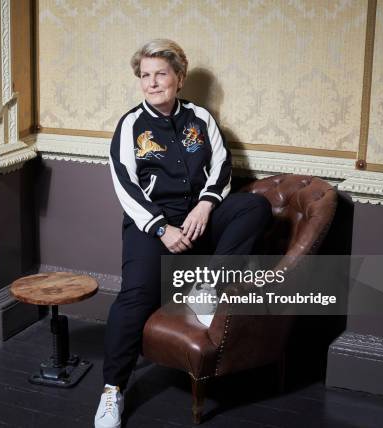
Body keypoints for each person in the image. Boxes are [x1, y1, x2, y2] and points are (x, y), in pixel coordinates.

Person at [94, 39, 272, 428]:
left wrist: (206, 206)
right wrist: (161, 228)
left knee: (253, 207)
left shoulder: (200, 118)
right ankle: (112, 391)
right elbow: (124, 184)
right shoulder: (130, 125)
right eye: (145, 76)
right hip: (152, 223)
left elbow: (222, 165)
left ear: (179, 77)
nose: (152, 83)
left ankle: (208, 286)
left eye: (161, 74)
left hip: (199, 215)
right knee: (134, 298)